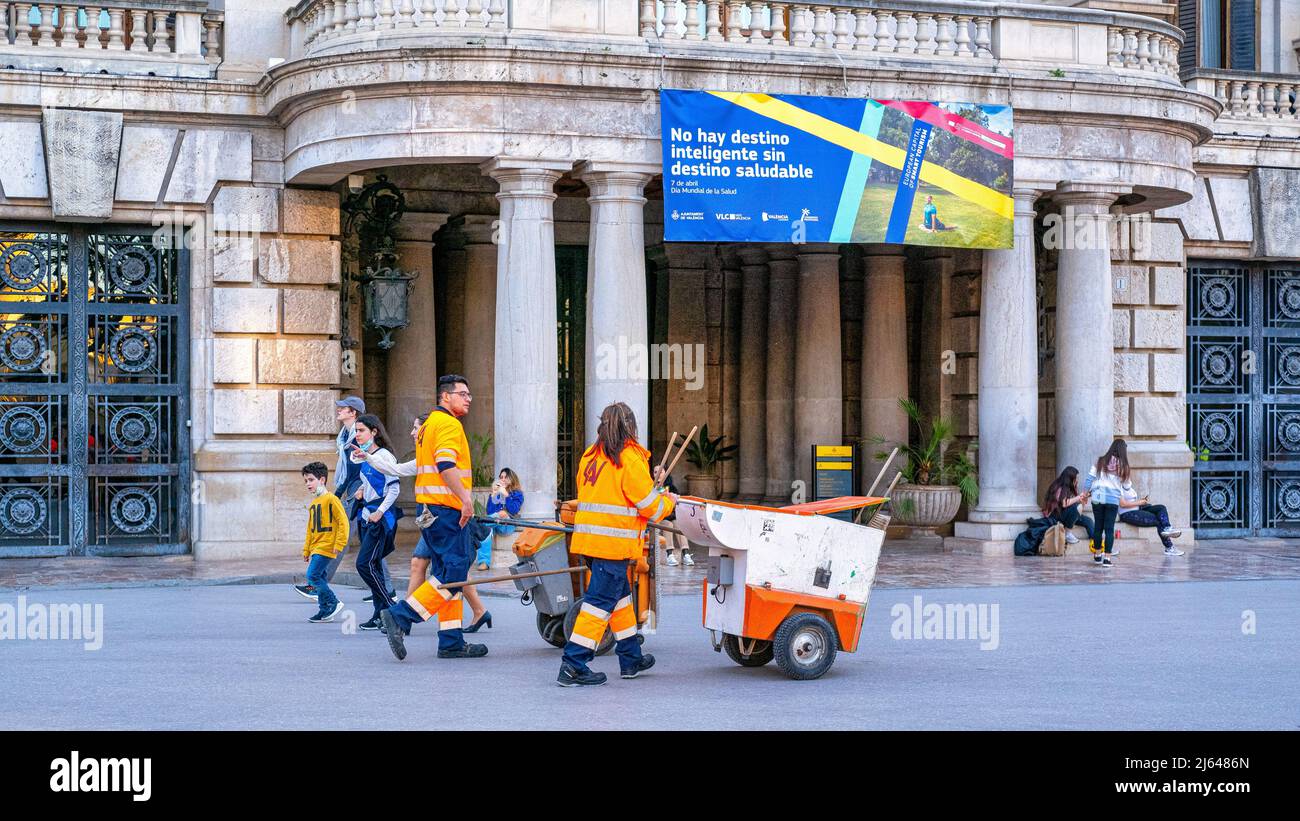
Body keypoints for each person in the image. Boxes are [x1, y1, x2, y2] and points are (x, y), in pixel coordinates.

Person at [557, 402, 677, 687]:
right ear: (630, 426)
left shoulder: (591, 456)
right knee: (598, 606)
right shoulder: (630, 458)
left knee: (621, 599)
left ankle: (630, 657)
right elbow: (647, 505)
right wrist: (668, 502)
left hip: (590, 542)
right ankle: (574, 664)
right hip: (613, 545)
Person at [370, 375, 488, 660]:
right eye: (463, 393)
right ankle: (401, 616)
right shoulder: (448, 424)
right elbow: (446, 466)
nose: (468, 398)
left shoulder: (429, 426)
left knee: (447, 574)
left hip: (433, 511)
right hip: (448, 511)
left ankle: (451, 641)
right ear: (445, 397)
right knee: (455, 572)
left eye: (469, 394)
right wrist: (466, 500)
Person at [294, 396, 395, 603]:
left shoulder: (357, 439)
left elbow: (355, 470)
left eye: (343, 408)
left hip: (358, 489)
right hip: (353, 489)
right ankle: (387, 587)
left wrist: (338, 493)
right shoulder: (345, 437)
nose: (338, 410)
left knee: (341, 535)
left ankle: (317, 582)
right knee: (368, 539)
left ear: (353, 412)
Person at [347, 415, 403, 631]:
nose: (357, 434)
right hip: (367, 516)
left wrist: (379, 512)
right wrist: (362, 490)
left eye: (361, 430)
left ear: (374, 432)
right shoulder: (367, 456)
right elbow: (372, 481)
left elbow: (394, 488)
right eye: (356, 431)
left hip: (380, 519)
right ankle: (380, 614)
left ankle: (392, 609)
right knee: (375, 565)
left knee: (364, 564)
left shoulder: (384, 456)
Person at [300, 462, 349, 623]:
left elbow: (343, 522)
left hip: (327, 546)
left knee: (312, 576)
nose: (308, 484)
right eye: (306, 481)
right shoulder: (314, 503)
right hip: (316, 547)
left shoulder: (331, 499)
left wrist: (339, 544)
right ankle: (325, 610)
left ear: (322, 480)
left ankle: (333, 602)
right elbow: (310, 530)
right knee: (318, 575)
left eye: (311, 480)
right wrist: (307, 550)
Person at [1084, 439, 1135, 568]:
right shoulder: (1123, 466)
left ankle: (1097, 555)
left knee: (1098, 527)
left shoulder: (1100, 461)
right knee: (1109, 529)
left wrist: (1084, 494)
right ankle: (1107, 558)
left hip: (1098, 496)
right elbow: (1127, 487)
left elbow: (1089, 478)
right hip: (1112, 498)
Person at [478, 468, 524, 571]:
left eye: (505, 477)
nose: (502, 479)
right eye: (501, 477)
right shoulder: (497, 493)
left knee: (497, 516)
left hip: (508, 525)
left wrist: (506, 495)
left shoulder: (517, 494)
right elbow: (490, 512)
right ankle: (484, 562)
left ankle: (477, 525)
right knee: (486, 528)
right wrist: (493, 494)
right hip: (495, 523)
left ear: (511, 479)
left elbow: (513, 509)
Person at [1119, 486, 1186, 557]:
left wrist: (1142, 501)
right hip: (1127, 513)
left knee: (1161, 508)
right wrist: (1139, 502)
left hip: (1138, 508)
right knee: (1159, 520)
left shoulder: (1128, 485)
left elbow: (1131, 501)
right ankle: (1169, 547)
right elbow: (1122, 504)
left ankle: (1167, 528)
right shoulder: (1118, 485)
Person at [1042, 466, 1095, 547]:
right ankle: (1067, 533)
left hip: (1067, 515)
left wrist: (1083, 500)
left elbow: (1079, 510)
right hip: (1056, 517)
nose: (1077, 480)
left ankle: (1097, 543)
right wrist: (1078, 498)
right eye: (1076, 478)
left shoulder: (1072, 488)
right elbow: (1064, 503)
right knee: (1076, 506)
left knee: (1088, 521)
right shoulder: (1058, 487)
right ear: (1070, 478)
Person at [657, 472, 693, 566]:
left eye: (661, 472)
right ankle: (669, 554)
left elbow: (678, 504)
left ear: (666, 473)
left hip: (671, 515)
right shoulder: (651, 487)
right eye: (656, 472)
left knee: (678, 524)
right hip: (659, 517)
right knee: (668, 525)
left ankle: (686, 553)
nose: (658, 474)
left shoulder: (672, 488)